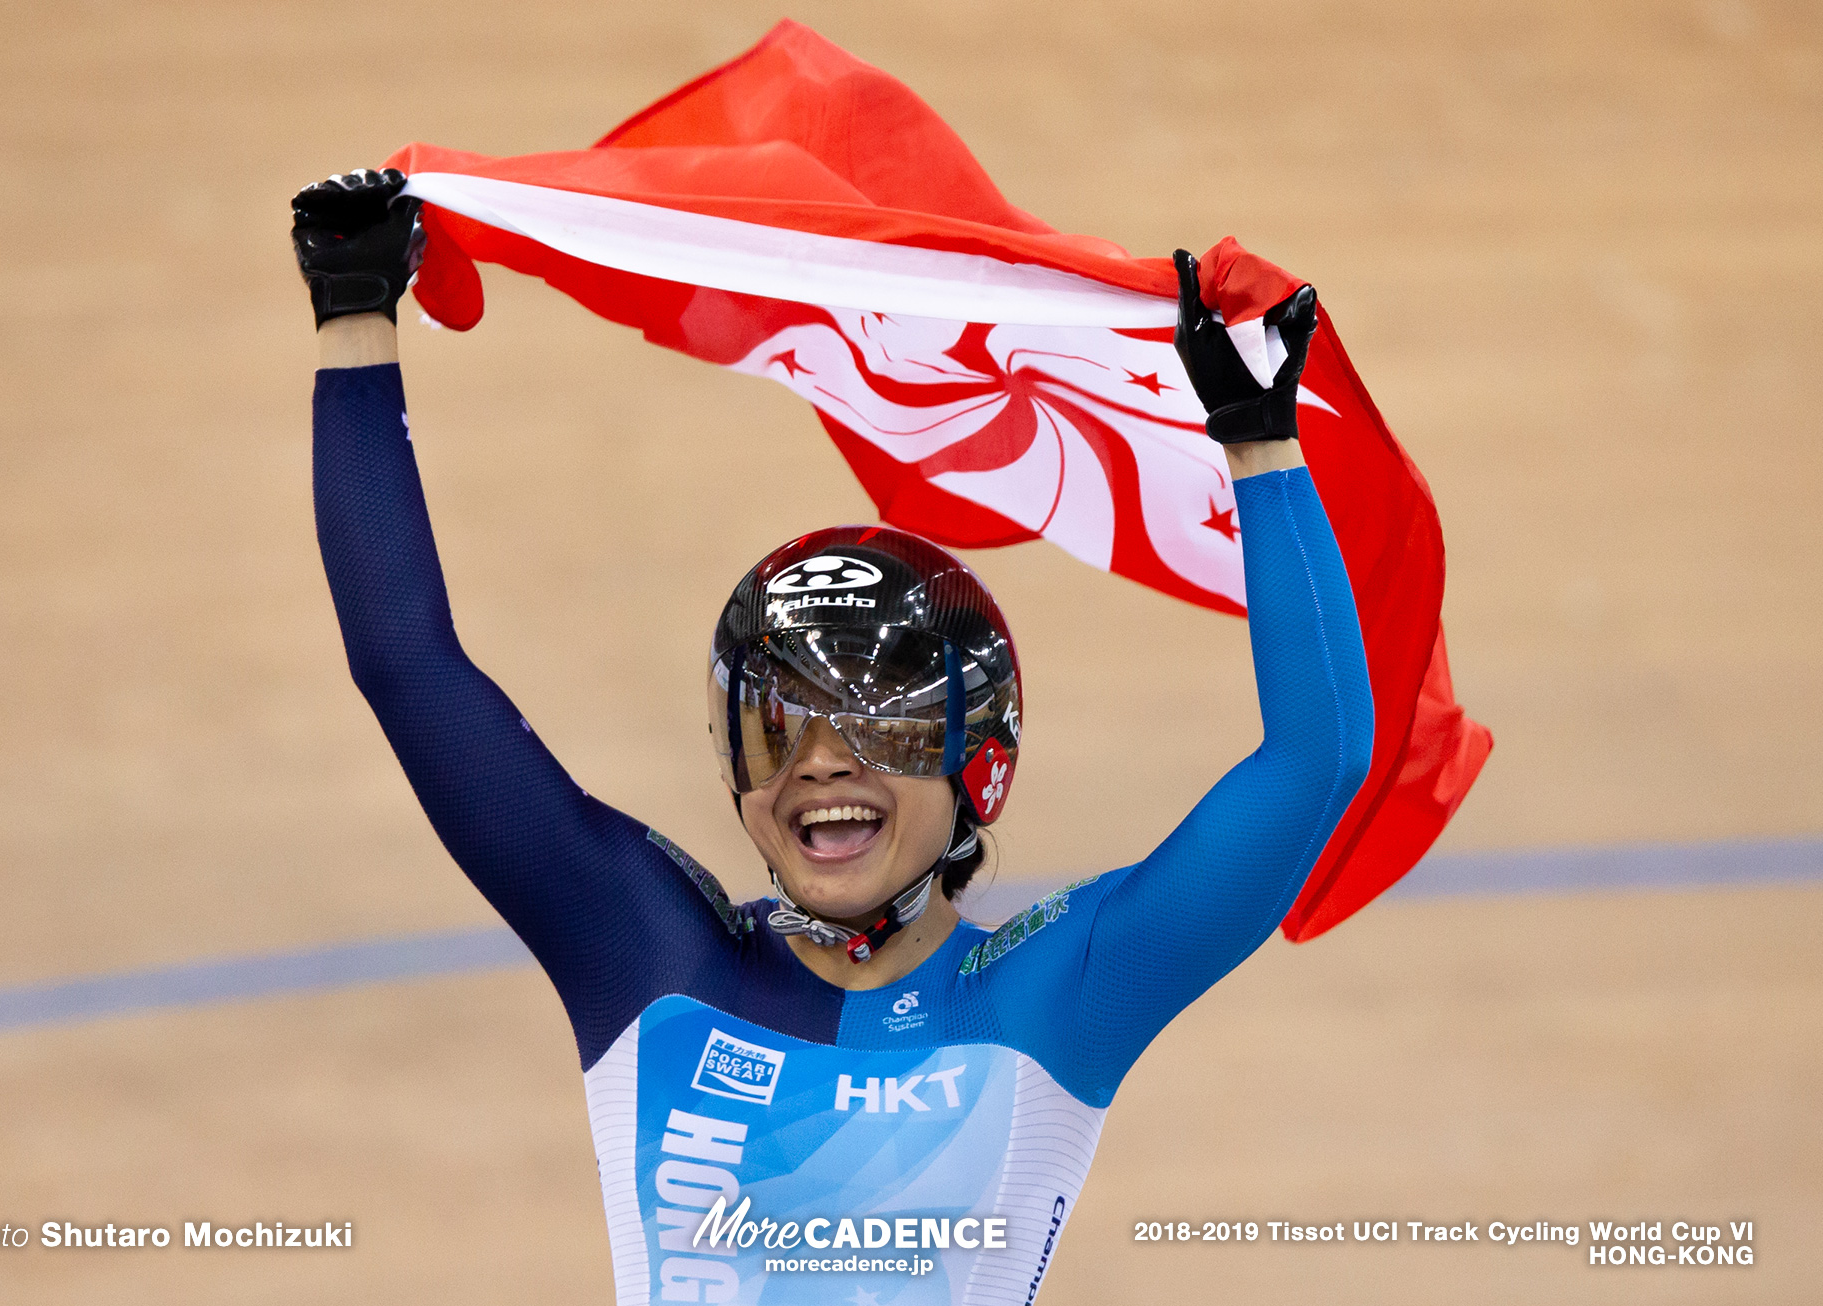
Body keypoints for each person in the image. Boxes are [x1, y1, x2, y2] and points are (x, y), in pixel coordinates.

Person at [296, 168, 1373, 1305]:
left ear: (981, 767)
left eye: (875, 729)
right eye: (777, 730)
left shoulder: (1058, 991)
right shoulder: (648, 954)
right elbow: (406, 667)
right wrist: (357, 315)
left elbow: (1318, 762)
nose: (819, 763)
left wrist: (1259, 441)